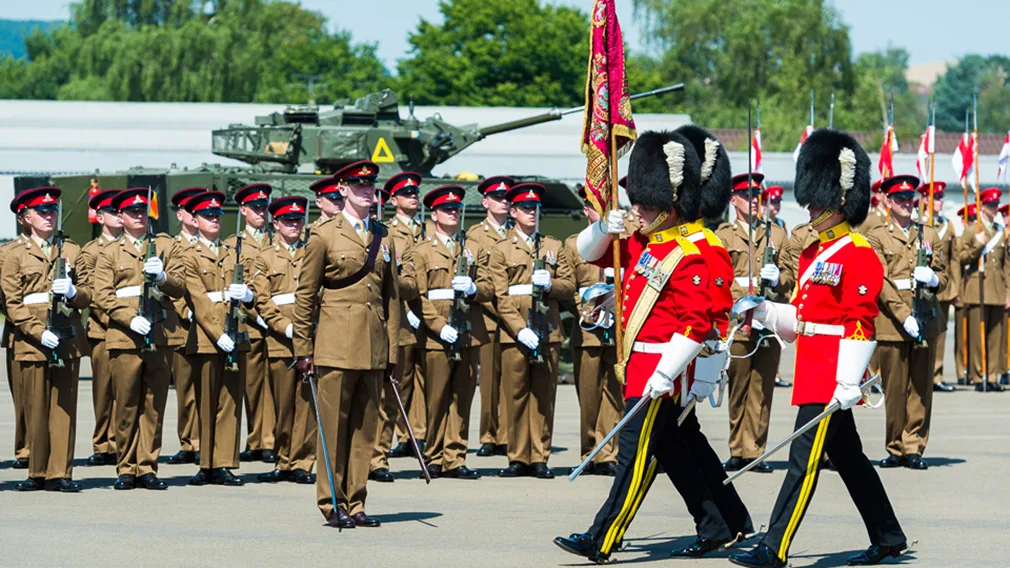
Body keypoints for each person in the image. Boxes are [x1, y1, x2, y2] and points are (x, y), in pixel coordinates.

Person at [729, 129, 909, 568]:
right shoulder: (815, 252)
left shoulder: (860, 253)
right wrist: (766, 312)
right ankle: (888, 535)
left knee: (802, 462)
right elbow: (806, 316)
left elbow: (859, 324)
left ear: (840, 201)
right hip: (813, 364)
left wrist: (849, 381)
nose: (809, 207)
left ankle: (775, 547)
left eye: (818, 201)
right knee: (848, 458)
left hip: (832, 374)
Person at [552, 130, 715, 563]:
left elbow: (696, 325)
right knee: (674, 453)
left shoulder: (689, 255)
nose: (636, 209)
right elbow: (587, 254)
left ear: (668, 207)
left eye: (643, 204)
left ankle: (602, 538)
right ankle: (717, 524)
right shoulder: (641, 243)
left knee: (634, 458)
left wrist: (666, 374)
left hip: (662, 370)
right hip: (635, 365)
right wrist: (605, 226)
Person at [293, 160, 400, 529]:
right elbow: (305, 296)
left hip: (373, 348)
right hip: (335, 346)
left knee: (363, 431)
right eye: (358, 186)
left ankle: (357, 502)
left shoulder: (384, 236)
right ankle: (331, 502)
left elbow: (392, 300)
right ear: (342, 190)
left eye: (371, 186)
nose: (367, 191)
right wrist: (302, 349)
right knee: (333, 431)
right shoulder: (323, 235)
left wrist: (393, 353)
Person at [93, 188, 187, 490]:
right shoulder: (109, 252)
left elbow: (180, 286)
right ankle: (126, 466)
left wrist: (162, 277)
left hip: (160, 335)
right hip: (124, 337)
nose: (138, 216)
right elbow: (102, 296)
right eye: (131, 212)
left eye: (142, 211)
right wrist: (128, 318)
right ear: (120, 217)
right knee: (126, 403)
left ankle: (147, 466)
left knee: (154, 404)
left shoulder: (166, 247)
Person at [3, 186, 91, 492]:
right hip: (31, 341)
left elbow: (87, 295)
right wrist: (38, 332)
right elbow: (12, 303)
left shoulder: (71, 251)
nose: (49, 216)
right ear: (26, 217)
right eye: (42, 212)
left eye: (52, 211)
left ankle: (60, 473)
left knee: (63, 407)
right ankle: (36, 471)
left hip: (66, 337)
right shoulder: (11, 254)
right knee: (35, 407)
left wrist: (72, 292)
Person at [403, 184, 492, 479]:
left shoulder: (474, 249)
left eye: (456, 209)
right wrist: (438, 327)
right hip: (436, 335)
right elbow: (416, 296)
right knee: (437, 397)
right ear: (434, 214)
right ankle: (434, 455)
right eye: (446, 210)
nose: (453, 214)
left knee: (462, 397)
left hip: (468, 331)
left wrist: (475, 288)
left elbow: (492, 288)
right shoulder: (421, 251)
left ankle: (455, 456)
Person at [488, 183, 575, 479]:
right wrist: (518, 328)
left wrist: (551, 284)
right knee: (515, 395)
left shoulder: (553, 246)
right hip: (516, 333)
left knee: (543, 396)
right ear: (513, 212)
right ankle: (517, 456)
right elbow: (500, 296)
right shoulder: (501, 249)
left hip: (547, 327)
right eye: (525, 208)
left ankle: (539, 456)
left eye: (535, 208)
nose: (531, 213)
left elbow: (568, 285)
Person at [865, 175, 947, 471]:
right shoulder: (876, 235)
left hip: (926, 317)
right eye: (899, 199)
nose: (905, 204)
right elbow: (880, 281)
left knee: (920, 388)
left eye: (909, 199)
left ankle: (914, 446)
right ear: (887, 201)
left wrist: (935, 279)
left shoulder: (930, 234)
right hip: (893, 322)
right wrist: (903, 316)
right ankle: (895, 445)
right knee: (895, 388)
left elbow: (945, 276)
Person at [717, 173, 789, 473]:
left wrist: (779, 278)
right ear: (734, 200)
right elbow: (721, 280)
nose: (755, 201)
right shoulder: (724, 236)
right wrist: (744, 300)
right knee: (739, 387)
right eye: (747, 195)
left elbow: (789, 279)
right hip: (739, 321)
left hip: (768, 322)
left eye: (757, 195)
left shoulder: (777, 235)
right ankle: (737, 448)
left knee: (762, 389)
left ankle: (755, 451)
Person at [182, 190, 251, 486]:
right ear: (195, 220)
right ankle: (206, 462)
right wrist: (218, 334)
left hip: (236, 333)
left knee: (230, 401)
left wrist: (248, 295)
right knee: (207, 401)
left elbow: (252, 290)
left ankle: (224, 462)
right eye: (207, 216)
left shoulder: (234, 251)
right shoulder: (188, 255)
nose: (213, 220)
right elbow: (198, 299)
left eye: (216, 216)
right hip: (208, 337)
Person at [252, 195, 317, 485]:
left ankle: (303, 461)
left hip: (312, 338)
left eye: (298, 220)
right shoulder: (264, 257)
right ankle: (284, 460)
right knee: (282, 405)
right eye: (288, 220)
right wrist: (283, 327)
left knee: (307, 404)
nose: (294, 225)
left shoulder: (313, 252)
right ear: (275, 223)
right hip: (280, 341)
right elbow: (262, 301)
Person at [563, 188, 623, 476]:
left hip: (617, 328)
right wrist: (585, 310)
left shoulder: (622, 243)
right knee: (588, 395)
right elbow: (567, 285)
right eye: (599, 206)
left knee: (614, 393)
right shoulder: (572, 244)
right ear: (587, 210)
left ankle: (608, 452)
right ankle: (589, 451)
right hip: (587, 330)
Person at [375, 171, 426, 475]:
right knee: (383, 395)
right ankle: (375, 456)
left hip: (417, 319)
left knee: (411, 386)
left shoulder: (425, 231)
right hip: (384, 319)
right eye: (405, 193)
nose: (412, 197)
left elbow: (413, 280)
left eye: (414, 192)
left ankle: (414, 436)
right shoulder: (388, 232)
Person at [224, 184, 277, 464]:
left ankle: (270, 440)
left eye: (264, 207)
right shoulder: (233, 244)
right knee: (253, 385)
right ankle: (257, 438)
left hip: (277, 321)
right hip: (250, 322)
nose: (260, 212)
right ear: (243, 210)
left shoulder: (277, 239)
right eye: (255, 208)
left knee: (277, 385)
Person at [467, 175, 516, 458]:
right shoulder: (476, 236)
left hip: (513, 319)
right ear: (485, 202)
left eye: (506, 198)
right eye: (497, 198)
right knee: (488, 381)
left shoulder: (516, 232)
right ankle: (488, 435)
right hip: (487, 317)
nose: (503, 201)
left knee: (510, 380)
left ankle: (507, 435)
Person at [78, 188, 124, 467]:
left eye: (121, 211)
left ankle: (122, 442)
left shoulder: (136, 246)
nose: (119, 216)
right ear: (100, 217)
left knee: (127, 392)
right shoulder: (91, 252)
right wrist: (119, 318)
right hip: (103, 330)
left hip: (132, 330)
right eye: (112, 212)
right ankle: (102, 443)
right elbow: (93, 294)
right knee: (104, 391)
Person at [165, 187, 207, 465]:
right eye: (191, 212)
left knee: (207, 389)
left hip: (210, 327)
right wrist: (188, 313)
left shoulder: (212, 244)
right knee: (186, 389)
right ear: (181, 214)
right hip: (183, 326)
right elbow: (172, 286)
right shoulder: (172, 246)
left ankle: (206, 442)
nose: (196, 217)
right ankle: (188, 441)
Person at [954, 187, 1007, 392]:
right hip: (978, 289)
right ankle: (978, 375)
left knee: (996, 337)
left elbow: (1006, 265)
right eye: (991, 205)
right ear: (982, 207)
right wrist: (978, 246)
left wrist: (1008, 291)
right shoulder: (972, 231)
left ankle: (992, 375)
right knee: (977, 337)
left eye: (996, 205)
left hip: (997, 288)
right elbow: (961, 258)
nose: (994, 208)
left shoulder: (1001, 232)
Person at [919, 182, 959, 392]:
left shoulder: (948, 225)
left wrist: (955, 288)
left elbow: (954, 259)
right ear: (925, 199)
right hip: (922, 288)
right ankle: (923, 374)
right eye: (936, 197)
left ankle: (937, 375)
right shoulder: (920, 223)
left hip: (942, 286)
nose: (940, 201)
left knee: (940, 334)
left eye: (942, 197)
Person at [1, 202, 32, 469]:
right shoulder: (7, 252)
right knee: (24, 398)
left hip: (54, 331)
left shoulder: (66, 250)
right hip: (19, 333)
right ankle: (26, 449)